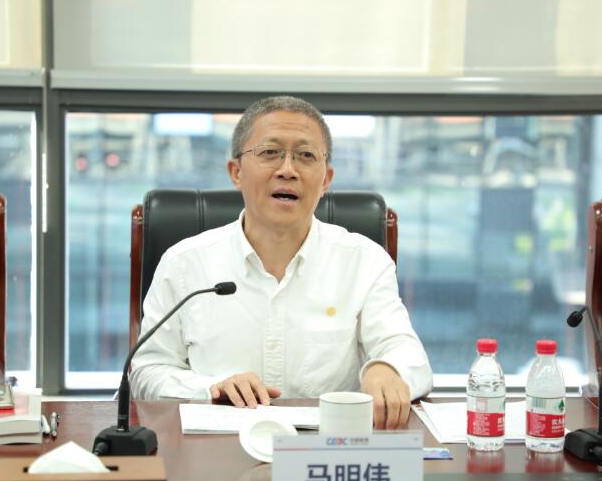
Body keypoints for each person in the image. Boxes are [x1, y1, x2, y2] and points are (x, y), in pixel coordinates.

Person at [129, 95, 433, 429]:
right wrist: (209, 389)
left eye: (306, 156)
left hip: (328, 449)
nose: (287, 170)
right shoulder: (184, 263)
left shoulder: (364, 262)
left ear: (326, 180)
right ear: (236, 172)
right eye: (270, 152)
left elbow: (408, 355)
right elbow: (146, 372)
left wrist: (387, 370)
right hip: (216, 448)